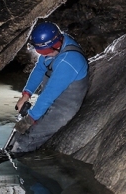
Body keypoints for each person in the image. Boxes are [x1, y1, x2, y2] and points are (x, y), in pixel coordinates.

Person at [10, 21, 89, 153]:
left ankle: (15, 160)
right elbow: (39, 69)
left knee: (28, 139)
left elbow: (48, 95)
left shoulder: (68, 61)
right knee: (19, 130)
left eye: (45, 51)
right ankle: (6, 152)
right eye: (40, 51)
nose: (43, 55)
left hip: (64, 107)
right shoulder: (55, 45)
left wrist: (30, 119)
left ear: (57, 45)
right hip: (52, 97)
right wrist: (26, 94)